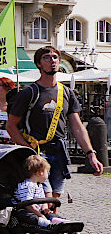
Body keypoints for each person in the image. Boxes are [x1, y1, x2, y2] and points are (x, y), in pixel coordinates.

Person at [7, 45, 103, 202]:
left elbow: (77, 127)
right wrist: (27, 150)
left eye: (55, 57)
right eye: (46, 57)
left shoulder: (66, 92)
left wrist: (91, 154)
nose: (52, 60)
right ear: (38, 64)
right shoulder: (29, 93)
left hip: (59, 151)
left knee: (55, 201)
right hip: (37, 152)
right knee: (45, 200)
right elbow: (11, 126)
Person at [14, 154, 71, 228]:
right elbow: (27, 204)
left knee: (50, 214)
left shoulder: (39, 185)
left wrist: (44, 208)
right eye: (47, 172)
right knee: (28, 216)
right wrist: (40, 215)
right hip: (26, 210)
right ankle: (49, 224)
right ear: (40, 172)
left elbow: (42, 200)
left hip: (37, 210)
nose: (48, 175)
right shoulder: (26, 185)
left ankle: (63, 222)